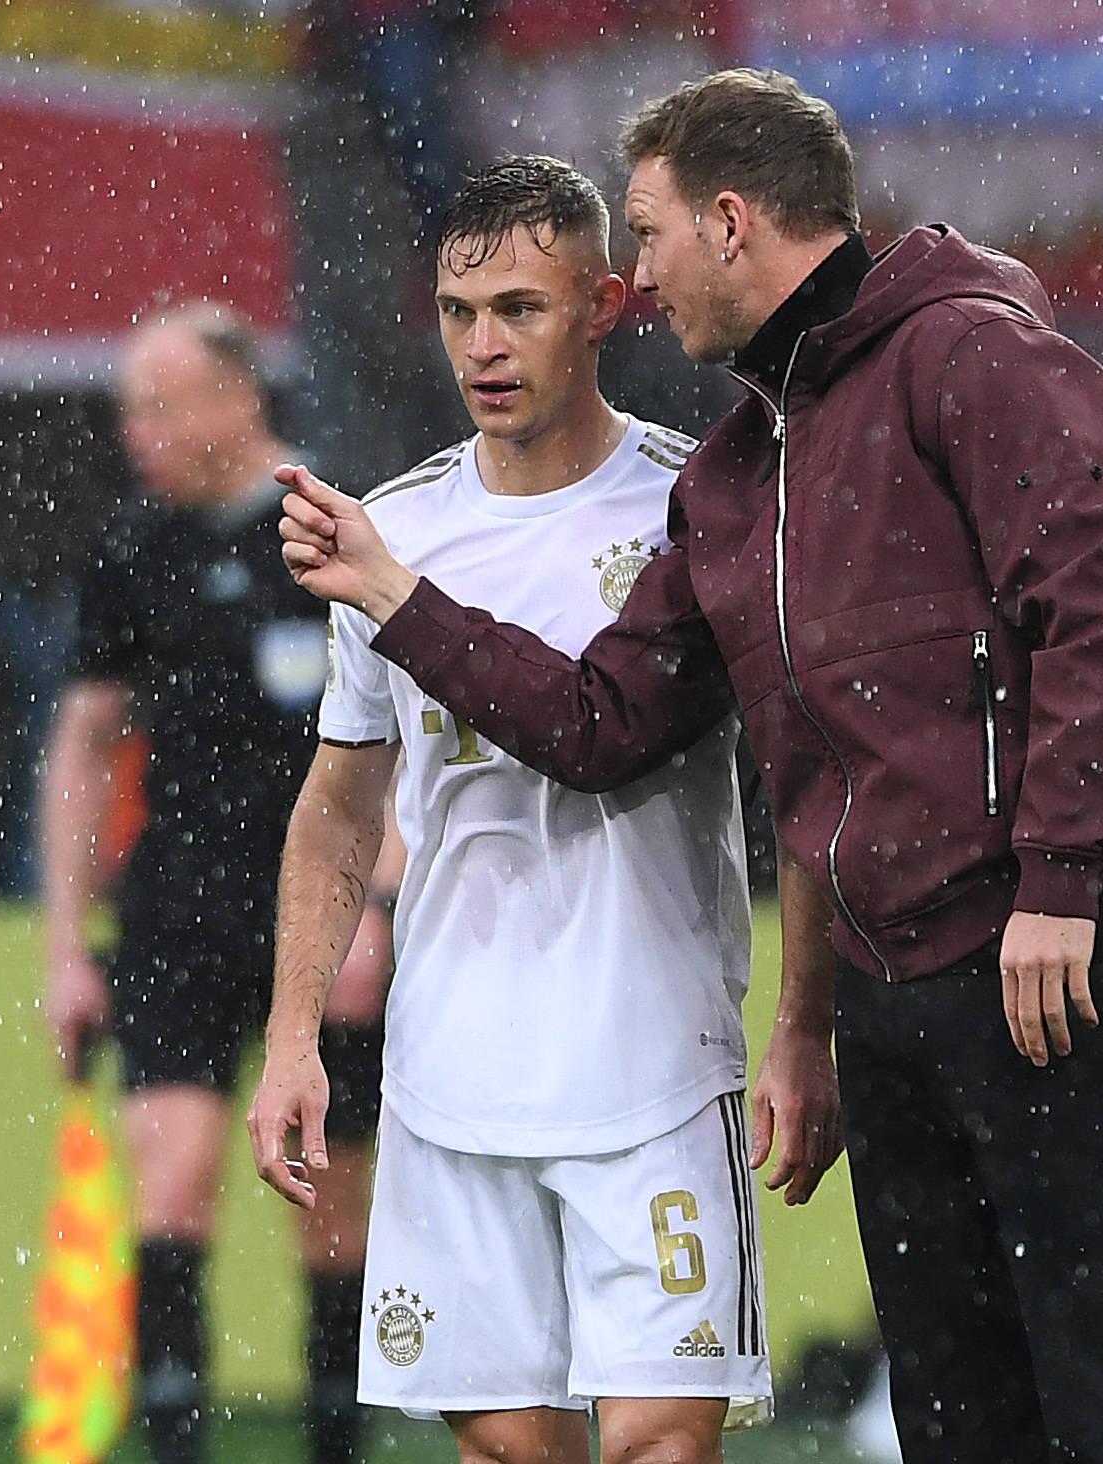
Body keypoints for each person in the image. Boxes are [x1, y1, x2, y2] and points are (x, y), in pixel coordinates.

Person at [278, 70, 1103, 1464]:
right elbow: (610, 726)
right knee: (956, 1398)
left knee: (1093, 1371)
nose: (637, 280)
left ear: (727, 220)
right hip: (892, 977)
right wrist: (401, 600)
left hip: (1036, 943)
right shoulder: (743, 466)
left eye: (643, 240)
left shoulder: (964, 354)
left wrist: (1063, 880)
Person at [249, 154, 842, 1464]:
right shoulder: (391, 529)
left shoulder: (702, 507)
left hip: (657, 1068)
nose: (484, 344)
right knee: (512, 1451)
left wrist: (805, 1019)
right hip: (454, 1074)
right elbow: (341, 808)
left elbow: (807, 779)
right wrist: (295, 1032)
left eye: (519, 306)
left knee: (659, 1448)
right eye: (460, 313)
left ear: (605, 305)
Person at [36, 303, 380, 1464]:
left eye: (160, 403)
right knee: (171, 1188)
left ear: (240, 398)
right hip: (179, 904)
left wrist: (377, 907)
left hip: (325, 916)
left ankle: (336, 1442)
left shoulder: (336, 535)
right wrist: (67, 951)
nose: (137, 430)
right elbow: (85, 746)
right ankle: (175, 1447)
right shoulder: (134, 552)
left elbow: (409, 742)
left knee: (332, 1211)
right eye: (129, 407)